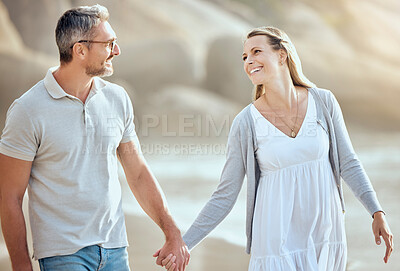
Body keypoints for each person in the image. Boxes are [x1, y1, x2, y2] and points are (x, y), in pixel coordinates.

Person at [157, 26, 393, 271]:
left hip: (325, 237)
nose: (249, 61)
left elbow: (348, 162)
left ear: (282, 55)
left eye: (256, 51)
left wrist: (377, 211)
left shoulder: (323, 102)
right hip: (275, 245)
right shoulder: (246, 122)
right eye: (245, 57)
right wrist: (184, 244)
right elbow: (225, 195)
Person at [0, 5, 189, 271]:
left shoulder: (117, 98)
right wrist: (21, 265)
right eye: (109, 43)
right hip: (63, 254)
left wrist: (172, 231)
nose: (117, 50)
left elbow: (137, 172)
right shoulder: (28, 110)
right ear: (80, 50)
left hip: (115, 249)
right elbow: (9, 196)